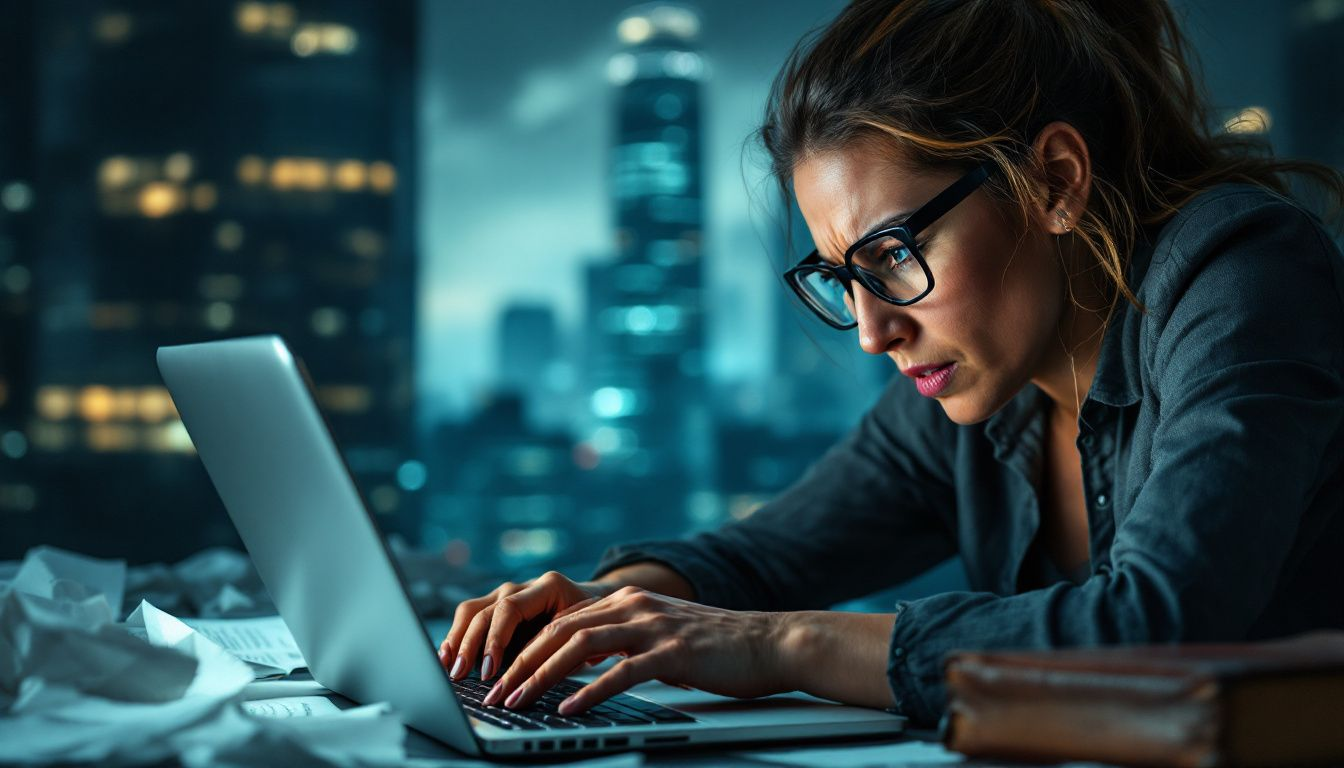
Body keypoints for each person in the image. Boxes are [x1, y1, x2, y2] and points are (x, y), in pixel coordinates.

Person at [437, 0, 1344, 727]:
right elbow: (764, 556)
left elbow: (1159, 624)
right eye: (841, 279)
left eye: (894, 255)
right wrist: (606, 610)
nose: (872, 332)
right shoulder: (976, 381)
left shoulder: (1241, 274)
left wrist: (779, 646)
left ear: (1056, 182)